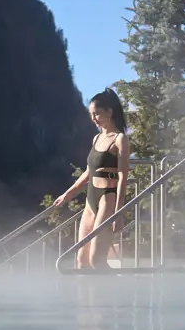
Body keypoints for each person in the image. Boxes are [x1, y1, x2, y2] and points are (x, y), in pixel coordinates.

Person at [54, 89, 130, 269]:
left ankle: (116, 287)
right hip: (91, 198)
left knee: (97, 260)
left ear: (109, 112)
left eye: (97, 114)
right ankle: (88, 290)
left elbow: (122, 176)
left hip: (107, 198)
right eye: (91, 115)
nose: (94, 119)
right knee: (81, 261)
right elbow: (89, 172)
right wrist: (68, 194)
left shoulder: (120, 139)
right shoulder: (96, 138)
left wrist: (118, 213)